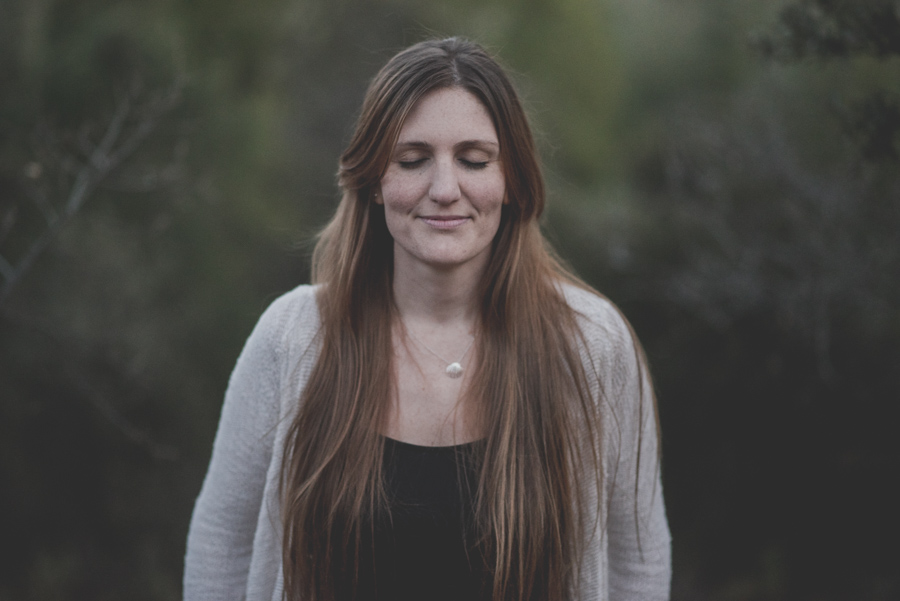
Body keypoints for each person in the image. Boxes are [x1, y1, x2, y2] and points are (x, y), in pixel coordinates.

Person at [184, 37, 671, 601]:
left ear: (511, 179)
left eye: (473, 160)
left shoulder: (592, 346)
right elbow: (223, 542)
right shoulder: (293, 337)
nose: (444, 190)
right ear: (372, 180)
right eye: (412, 161)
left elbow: (638, 565)